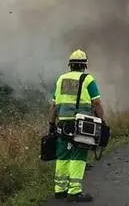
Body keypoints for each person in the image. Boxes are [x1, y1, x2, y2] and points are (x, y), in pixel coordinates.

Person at [48, 49, 105, 203]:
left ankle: (60, 190)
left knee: (62, 156)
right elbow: (97, 102)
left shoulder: (61, 79)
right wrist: (102, 120)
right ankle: (74, 192)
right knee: (78, 157)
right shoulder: (88, 79)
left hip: (62, 124)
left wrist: (51, 124)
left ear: (70, 65)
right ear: (84, 66)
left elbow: (54, 105)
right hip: (81, 124)